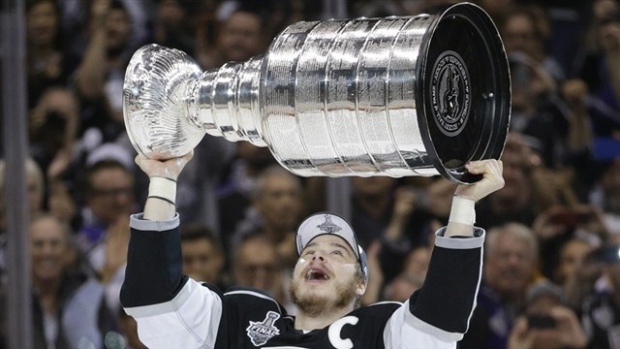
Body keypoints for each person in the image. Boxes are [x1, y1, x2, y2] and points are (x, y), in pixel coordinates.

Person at [119, 152, 504, 348]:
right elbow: (154, 297)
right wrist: (163, 179)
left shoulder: (379, 333)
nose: (317, 255)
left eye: (338, 251)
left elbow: (442, 313)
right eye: (309, 251)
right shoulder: (242, 321)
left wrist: (464, 204)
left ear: (361, 284)